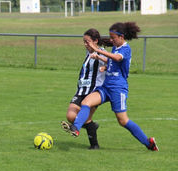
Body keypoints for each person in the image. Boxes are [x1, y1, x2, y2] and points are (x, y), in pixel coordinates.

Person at [63, 22, 159, 151]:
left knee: (123, 121)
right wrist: (103, 62)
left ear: (121, 36)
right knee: (86, 102)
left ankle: (149, 143)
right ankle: (76, 128)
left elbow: (118, 59)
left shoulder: (125, 48)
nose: (111, 40)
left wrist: (97, 50)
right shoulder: (115, 48)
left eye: (113, 38)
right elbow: (113, 62)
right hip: (106, 87)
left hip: (118, 89)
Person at [61, 28, 110, 150]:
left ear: (95, 41)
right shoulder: (88, 53)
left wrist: (103, 63)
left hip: (94, 91)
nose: (85, 44)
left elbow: (112, 63)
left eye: (87, 41)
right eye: (84, 41)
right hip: (82, 89)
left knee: (86, 118)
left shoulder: (102, 52)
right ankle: (91, 126)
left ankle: (94, 145)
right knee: (71, 116)